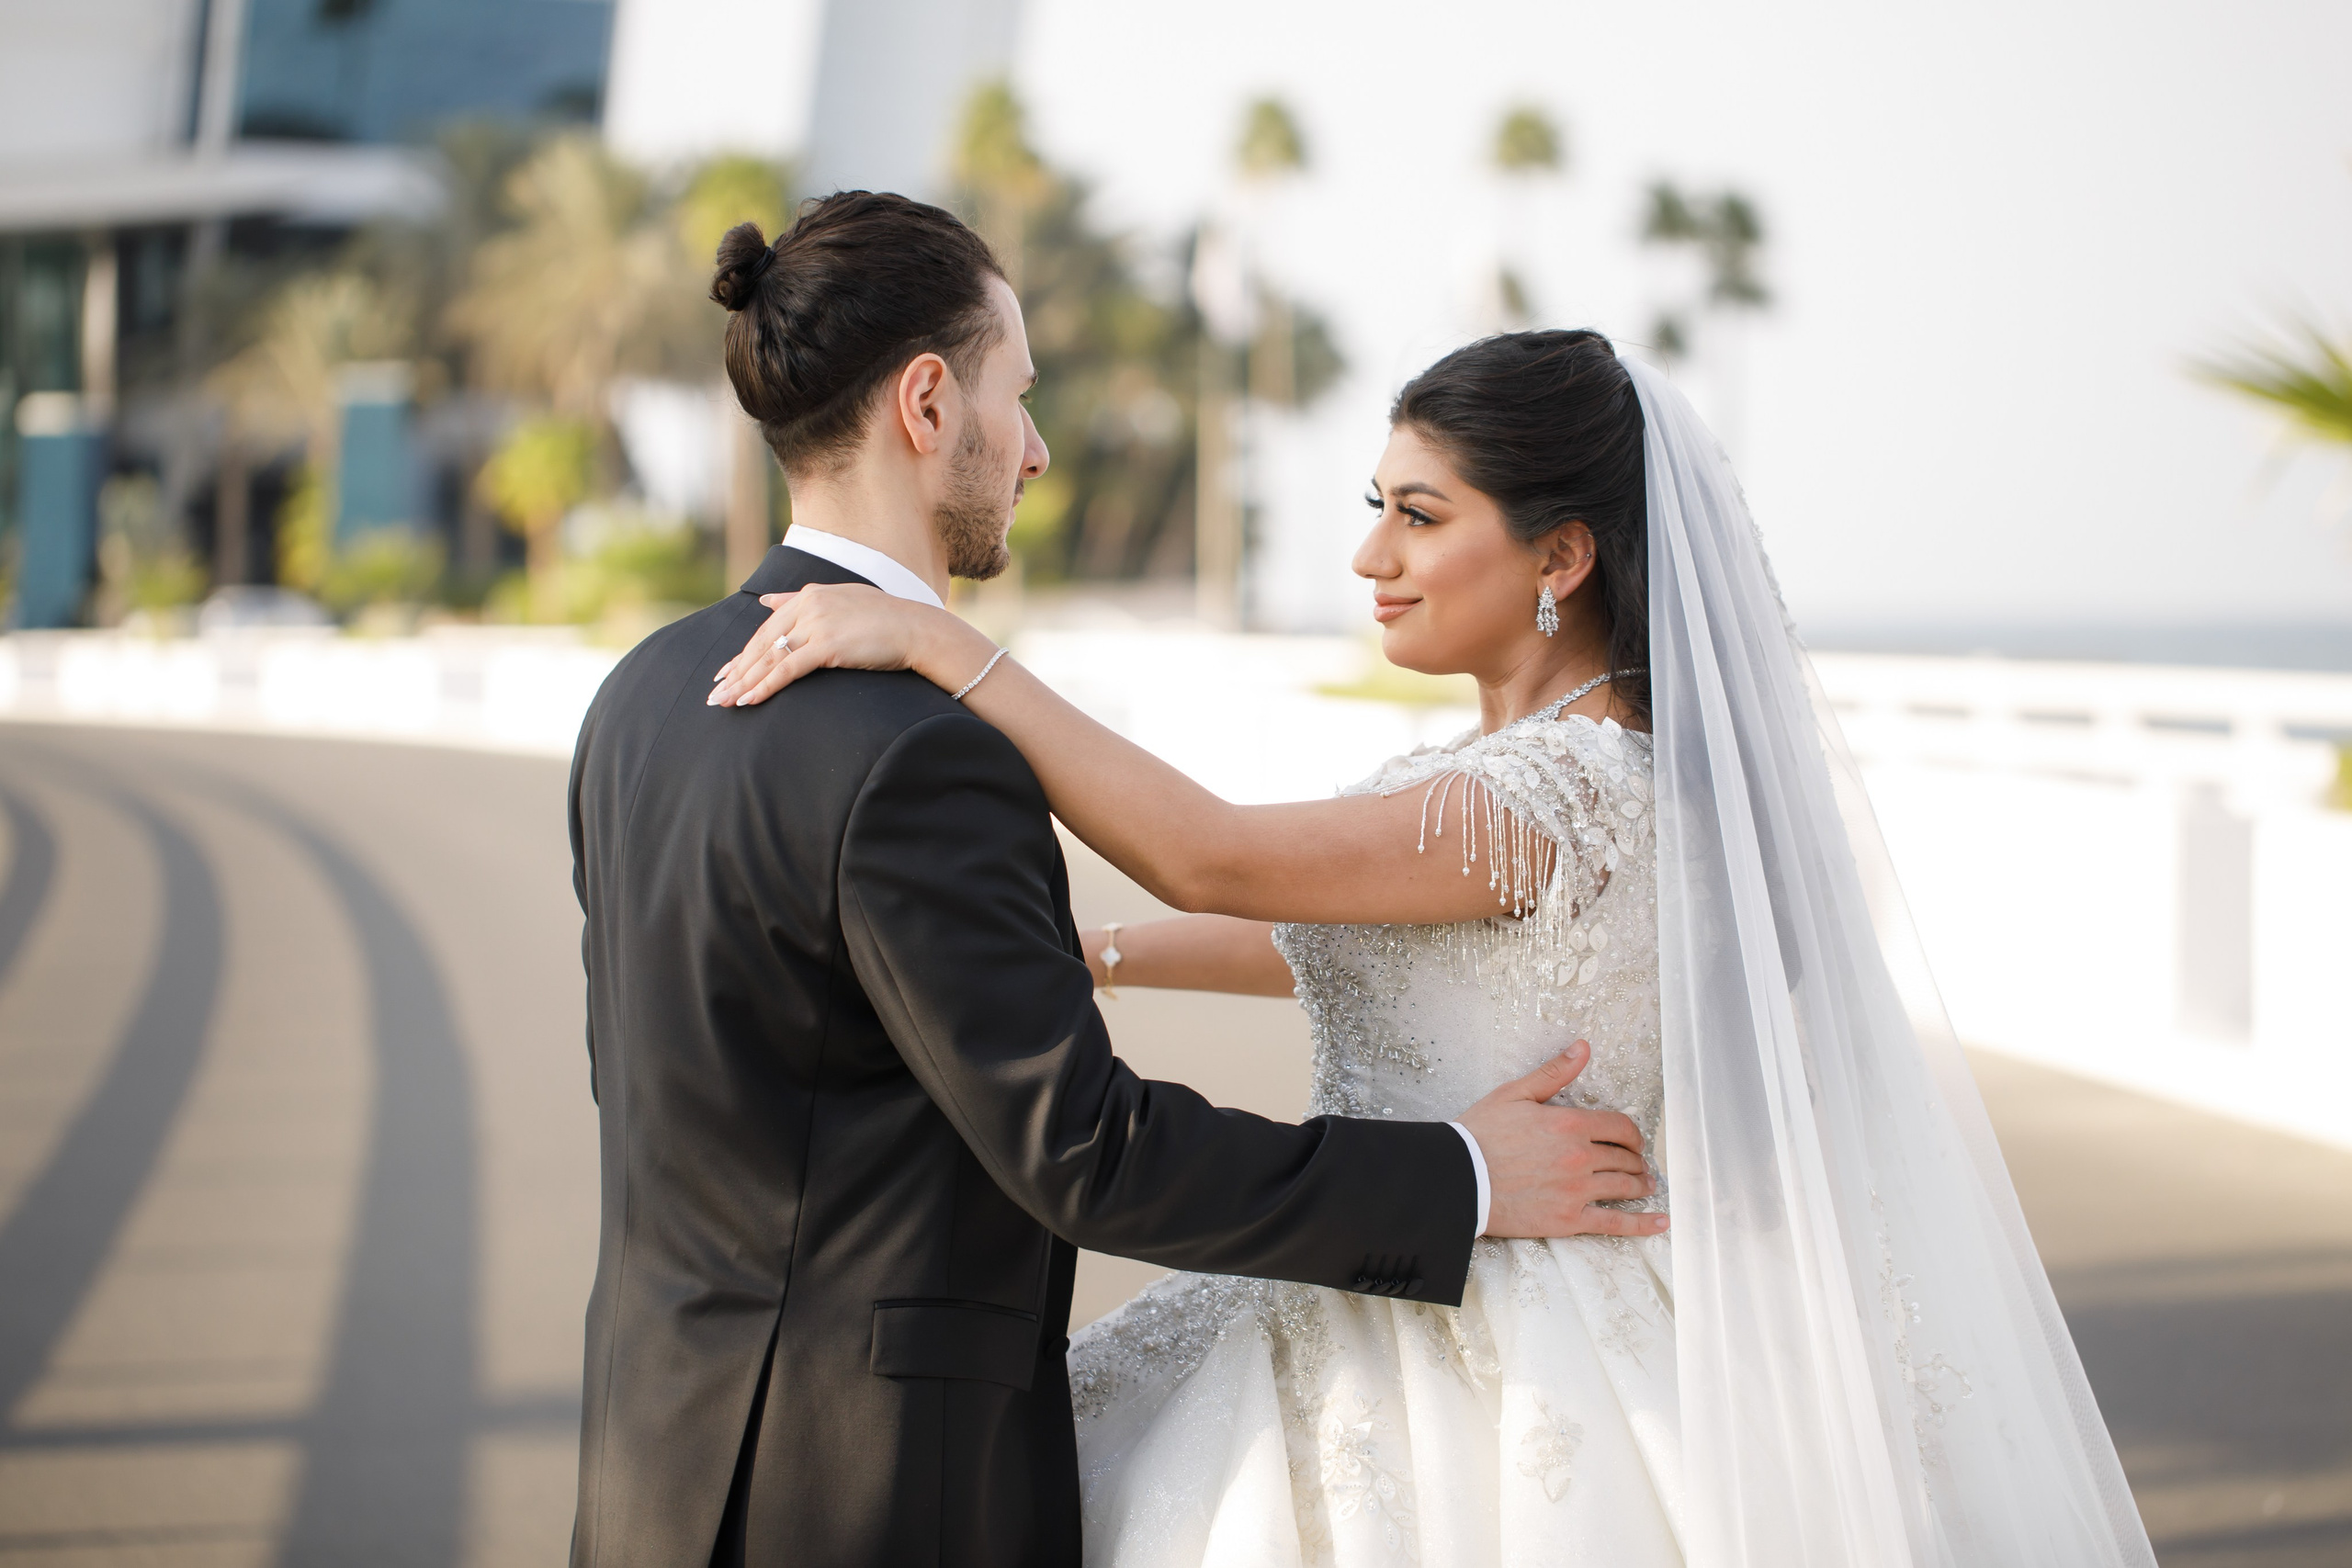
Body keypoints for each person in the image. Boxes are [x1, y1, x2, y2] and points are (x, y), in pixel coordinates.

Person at [710, 330, 2161, 1566]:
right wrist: (1094, 955)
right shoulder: (1507, 782)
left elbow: (1214, 849)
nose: (1370, 555)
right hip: (1409, 1244)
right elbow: (1330, 942)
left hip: (1502, 1321)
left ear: (1562, 555)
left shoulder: (1552, 796)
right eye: (1374, 507)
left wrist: (939, 649)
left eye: (1419, 515)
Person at [567, 193, 1664, 1568]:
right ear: (926, 404)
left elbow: (664, 1083)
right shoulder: (919, 749)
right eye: (1017, 398)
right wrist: (1458, 1176)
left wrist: (1081, 950)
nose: (1032, 451)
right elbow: (1088, 1152)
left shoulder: (642, 697)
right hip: (871, 1491)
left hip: (657, 1466)